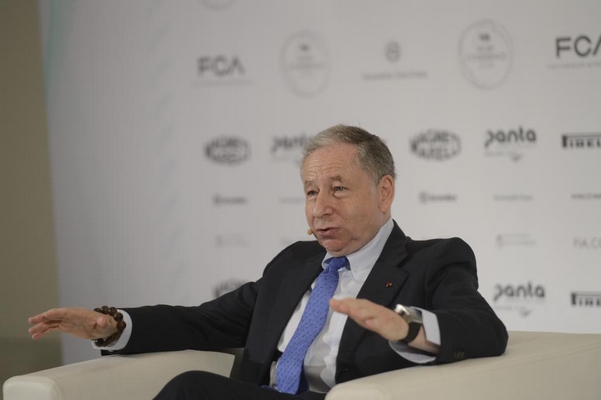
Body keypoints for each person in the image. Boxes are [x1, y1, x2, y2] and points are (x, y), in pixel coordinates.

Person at [29, 125, 508, 399]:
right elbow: (205, 323)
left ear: (384, 192)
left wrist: (405, 326)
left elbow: (484, 329)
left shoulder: (433, 260)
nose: (320, 208)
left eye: (338, 189)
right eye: (311, 192)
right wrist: (113, 325)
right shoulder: (294, 264)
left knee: (192, 391)